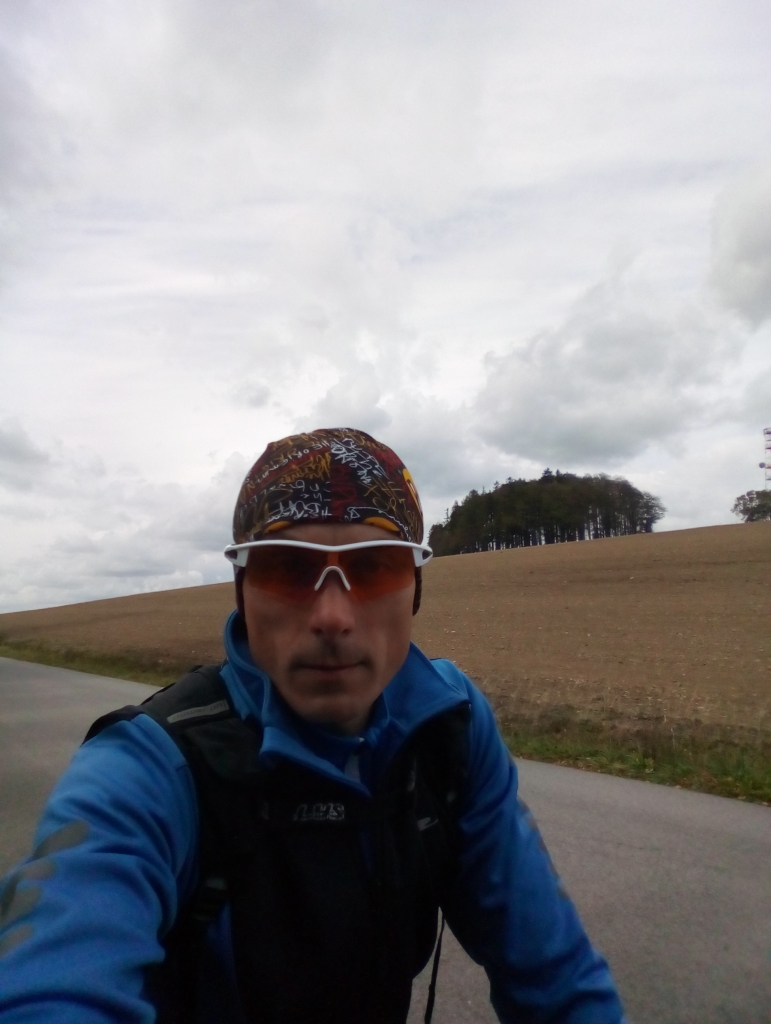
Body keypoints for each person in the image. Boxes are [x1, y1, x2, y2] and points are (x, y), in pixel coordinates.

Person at [0, 427, 628, 1024]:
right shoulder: (151, 766)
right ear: (243, 589)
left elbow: (555, 977)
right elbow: (52, 979)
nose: (332, 616)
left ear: (414, 589)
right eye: (287, 568)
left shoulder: (450, 726)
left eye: (374, 567)